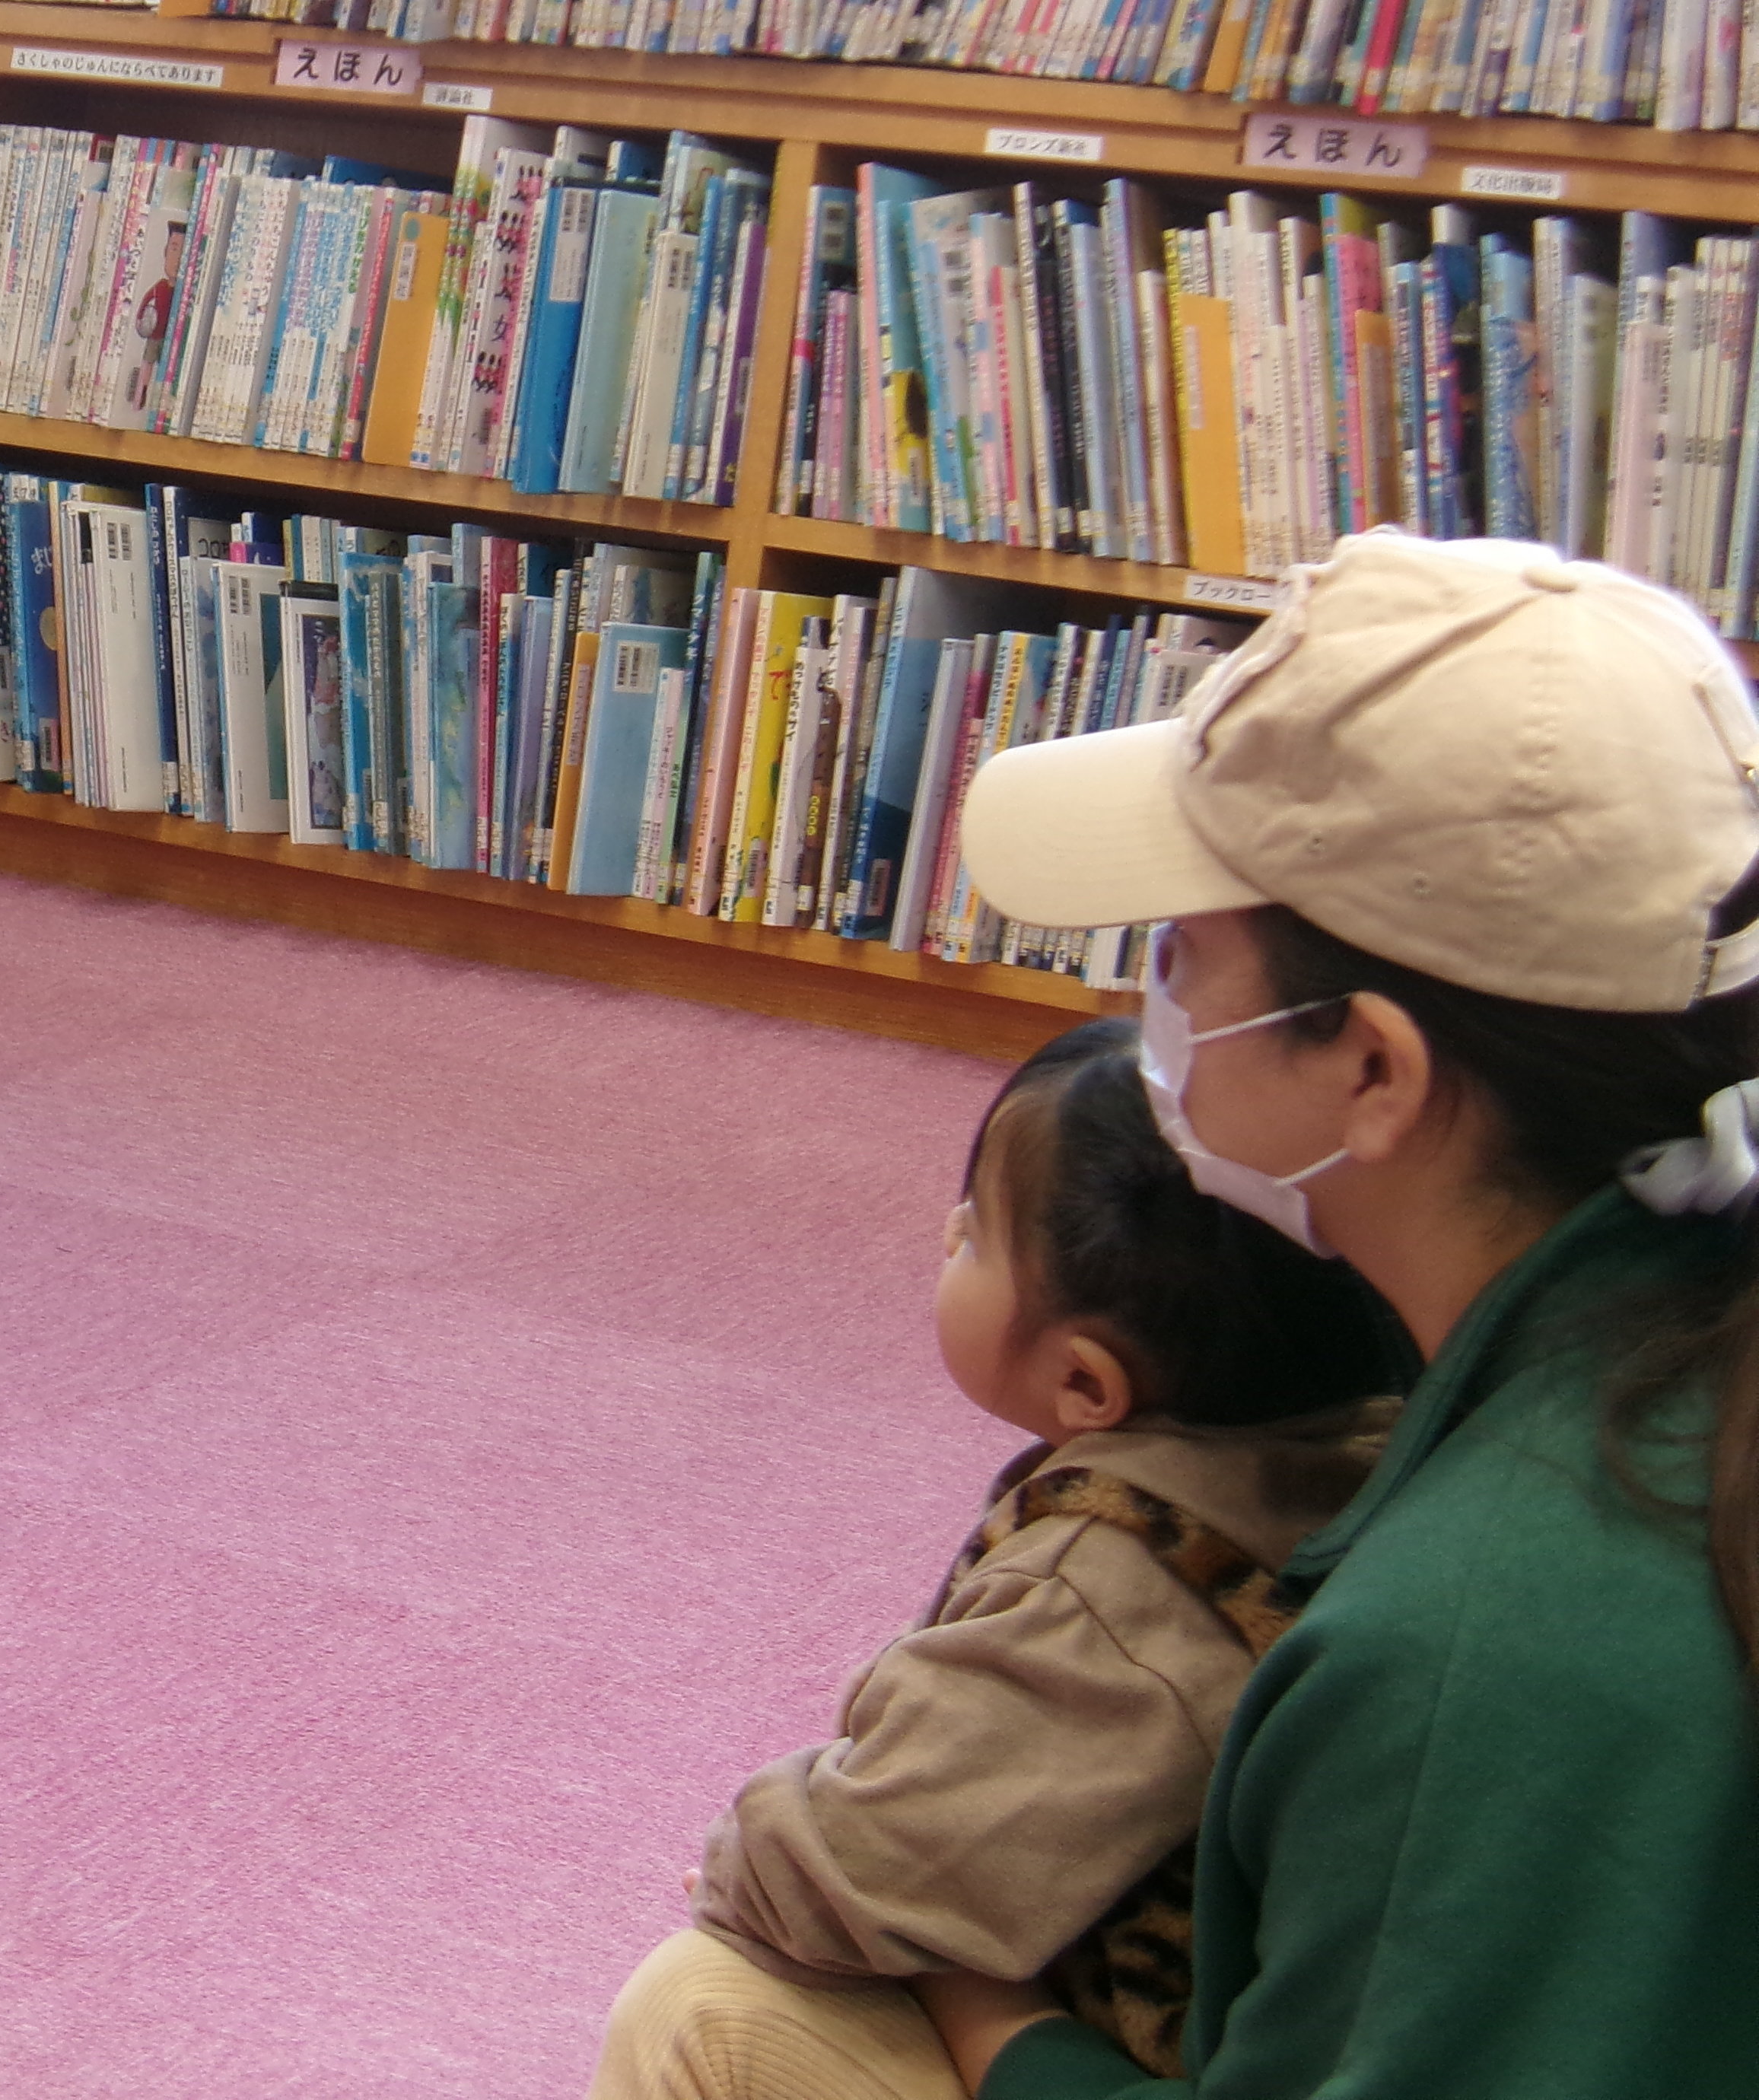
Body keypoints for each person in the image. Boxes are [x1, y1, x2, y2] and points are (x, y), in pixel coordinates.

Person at [606, 529, 1759, 2096]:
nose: (1151, 1008)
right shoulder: (1668, 1304)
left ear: (1373, 1069)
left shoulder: (1474, 1647)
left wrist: (994, 2013)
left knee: (709, 2010)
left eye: (1183, 954)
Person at [602, 1020, 1398, 2098]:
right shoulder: (1362, 1444)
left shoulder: (1113, 1585)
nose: (946, 1234)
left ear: (1085, 1385)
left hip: (1129, 2045)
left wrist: (756, 1863)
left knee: (696, 2003)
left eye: (976, 1234)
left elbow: (866, 1871)